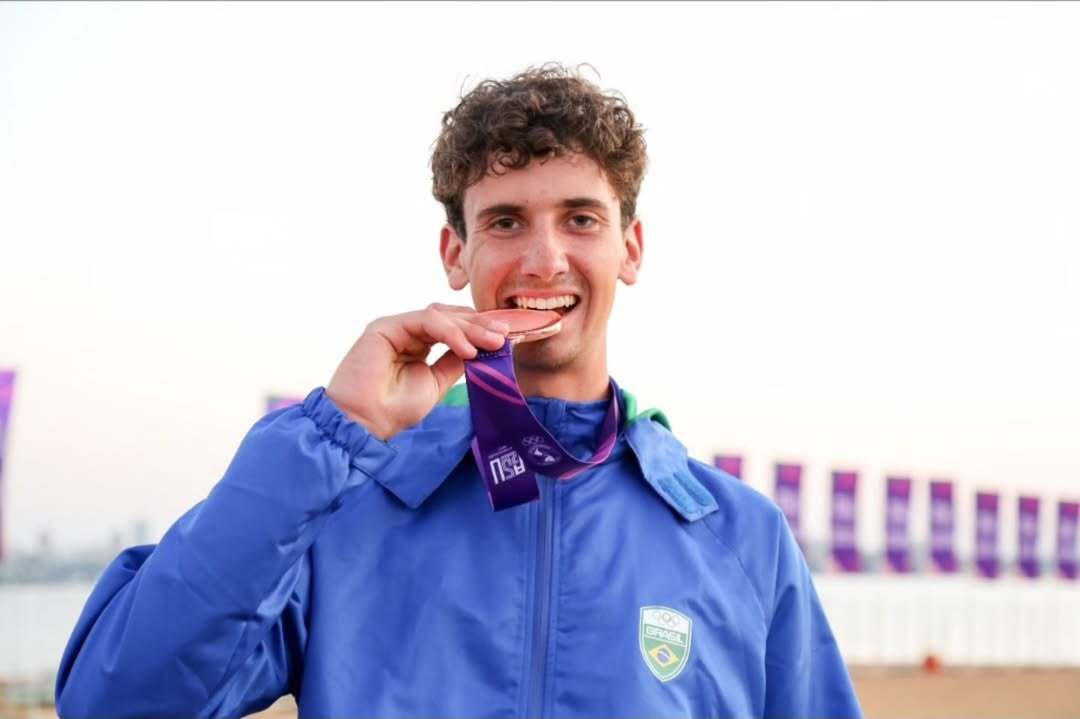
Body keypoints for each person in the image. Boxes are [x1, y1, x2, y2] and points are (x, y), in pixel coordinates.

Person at [55, 64, 862, 719]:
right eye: (506, 221)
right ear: (455, 252)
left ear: (631, 247)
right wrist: (335, 429)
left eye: (581, 218)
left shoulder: (739, 536)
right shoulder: (344, 505)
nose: (544, 259)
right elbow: (115, 699)